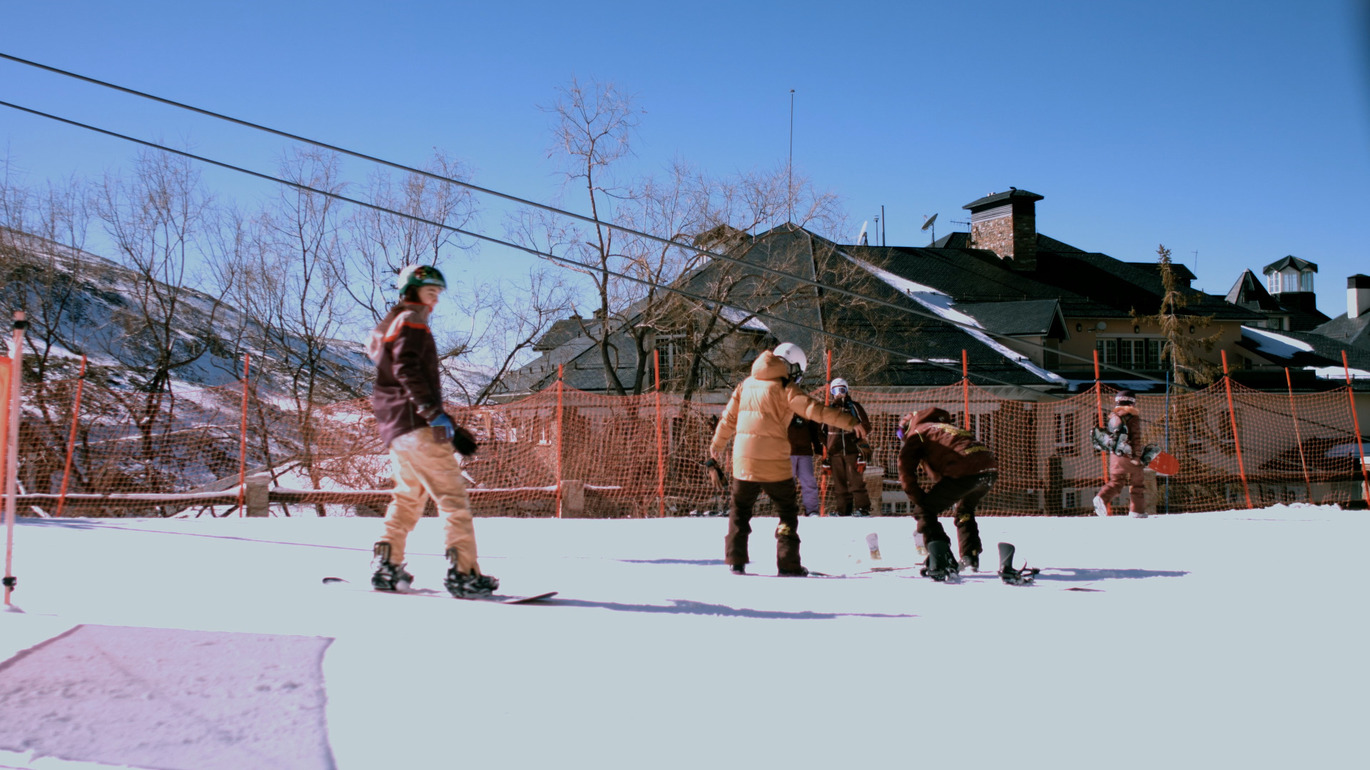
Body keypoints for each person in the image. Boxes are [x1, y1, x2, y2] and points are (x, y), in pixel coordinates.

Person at [367, 264, 498, 598]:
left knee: (408, 496)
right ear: (410, 291)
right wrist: (437, 418)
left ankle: (387, 562)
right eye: (430, 292)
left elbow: (396, 373)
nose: (434, 301)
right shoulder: (412, 319)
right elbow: (408, 370)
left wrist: (450, 428)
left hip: (398, 430)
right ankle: (464, 572)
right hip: (420, 424)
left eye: (438, 294)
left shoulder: (389, 325)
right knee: (452, 498)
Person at [710, 343, 867, 576]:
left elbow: (727, 420)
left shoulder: (744, 385)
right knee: (786, 510)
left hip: (744, 462)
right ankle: (788, 563)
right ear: (790, 366)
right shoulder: (785, 387)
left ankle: (736, 559)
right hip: (775, 461)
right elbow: (816, 411)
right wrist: (851, 423)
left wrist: (716, 445)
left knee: (740, 509)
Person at [896, 407, 998, 577]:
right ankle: (970, 556)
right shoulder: (944, 428)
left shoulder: (918, 433)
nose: (903, 439)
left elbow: (905, 469)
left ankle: (941, 554)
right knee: (965, 510)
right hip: (989, 470)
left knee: (924, 511)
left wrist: (919, 498)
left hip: (964, 471)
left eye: (901, 435)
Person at [822, 378, 874, 516]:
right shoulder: (829, 410)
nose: (839, 394)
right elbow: (821, 431)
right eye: (835, 390)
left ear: (847, 390)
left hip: (852, 451)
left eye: (842, 390)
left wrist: (857, 441)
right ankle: (843, 510)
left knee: (856, 482)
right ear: (832, 392)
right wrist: (827, 448)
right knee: (839, 484)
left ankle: (863, 508)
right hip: (835, 453)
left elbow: (866, 426)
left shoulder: (854, 407)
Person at [1094, 390, 1147, 518]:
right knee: (1137, 482)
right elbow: (1135, 438)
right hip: (1129, 455)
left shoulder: (1113, 417)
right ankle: (1137, 511)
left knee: (1116, 482)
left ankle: (1101, 497)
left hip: (1115, 456)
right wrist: (1136, 456)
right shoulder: (1132, 417)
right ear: (1132, 402)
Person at [788, 414, 824, 516]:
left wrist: (818, 449)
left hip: (805, 453)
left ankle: (812, 510)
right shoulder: (781, 410)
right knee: (788, 484)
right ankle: (788, 510)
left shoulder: (806, 414)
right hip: (786, 454)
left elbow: (814, 432)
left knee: (809, 482)